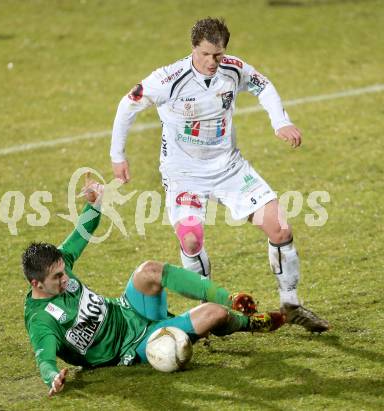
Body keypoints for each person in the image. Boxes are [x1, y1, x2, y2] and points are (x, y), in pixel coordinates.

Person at [110, 17, 329, 333]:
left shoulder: (233, 68)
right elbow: (127, 105)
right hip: (184, 175)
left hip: (230, 169)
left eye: (219, 55)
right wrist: (117, 157)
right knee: (190, 239)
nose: (213, 62)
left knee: (280, 228)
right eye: (207, 55)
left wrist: (280, 121)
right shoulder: (168, 79)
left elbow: (263, 85)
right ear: (194, 49)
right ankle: (207, 311)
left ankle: (291, 305)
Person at [23, 176, 285, 397]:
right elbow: (44, 358)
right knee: (215, 314)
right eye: (57, 278)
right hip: (132, 346)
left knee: (148, 269)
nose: (65, 278)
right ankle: (249, 323)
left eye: (63, 272)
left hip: (128, 309)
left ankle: (233, 298)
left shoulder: (57, 265)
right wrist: (52, 377)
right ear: (36, 284)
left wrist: (95, 203)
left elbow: (81, 233)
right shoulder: (40, 320)